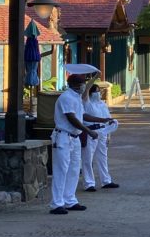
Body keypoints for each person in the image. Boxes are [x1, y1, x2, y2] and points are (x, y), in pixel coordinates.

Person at [51, 64, 100, 214]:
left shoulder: (76, 97)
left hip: (74, 137)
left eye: (84, 83)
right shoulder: (66, 97)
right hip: (63, 137)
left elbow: (82, 115)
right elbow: (71, 118)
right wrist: (88, 131)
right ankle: (56, 203)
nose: (83, 86)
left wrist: (102, 120)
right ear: (72, 84)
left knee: (73, 170)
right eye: (81, 84)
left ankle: (70, 200)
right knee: (61, 170)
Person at [81, 84, 119, 191]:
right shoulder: (86, 103)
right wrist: (95, 77)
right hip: (91, 131)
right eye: (95, 91)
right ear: (90, 93)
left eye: (99, 91)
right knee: (88, 158)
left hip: (103, 131)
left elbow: (108, 118)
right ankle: (89, 183)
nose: (98, 93)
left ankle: (106, 180)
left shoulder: (102, 104)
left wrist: (109, 135)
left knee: (103, 157)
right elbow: (86, 91)